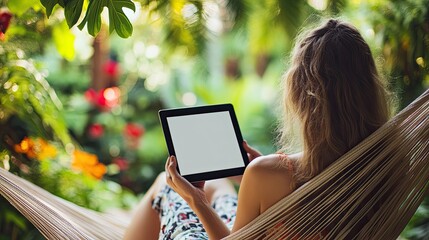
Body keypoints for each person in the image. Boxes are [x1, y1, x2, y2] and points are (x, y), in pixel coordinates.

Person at [123, 18, 390, 240]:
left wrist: (196, 200)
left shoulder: (267, 174)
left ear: (301, 94)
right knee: (215, 183)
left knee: (168, 187)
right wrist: (261, 170)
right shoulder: (387, 163)